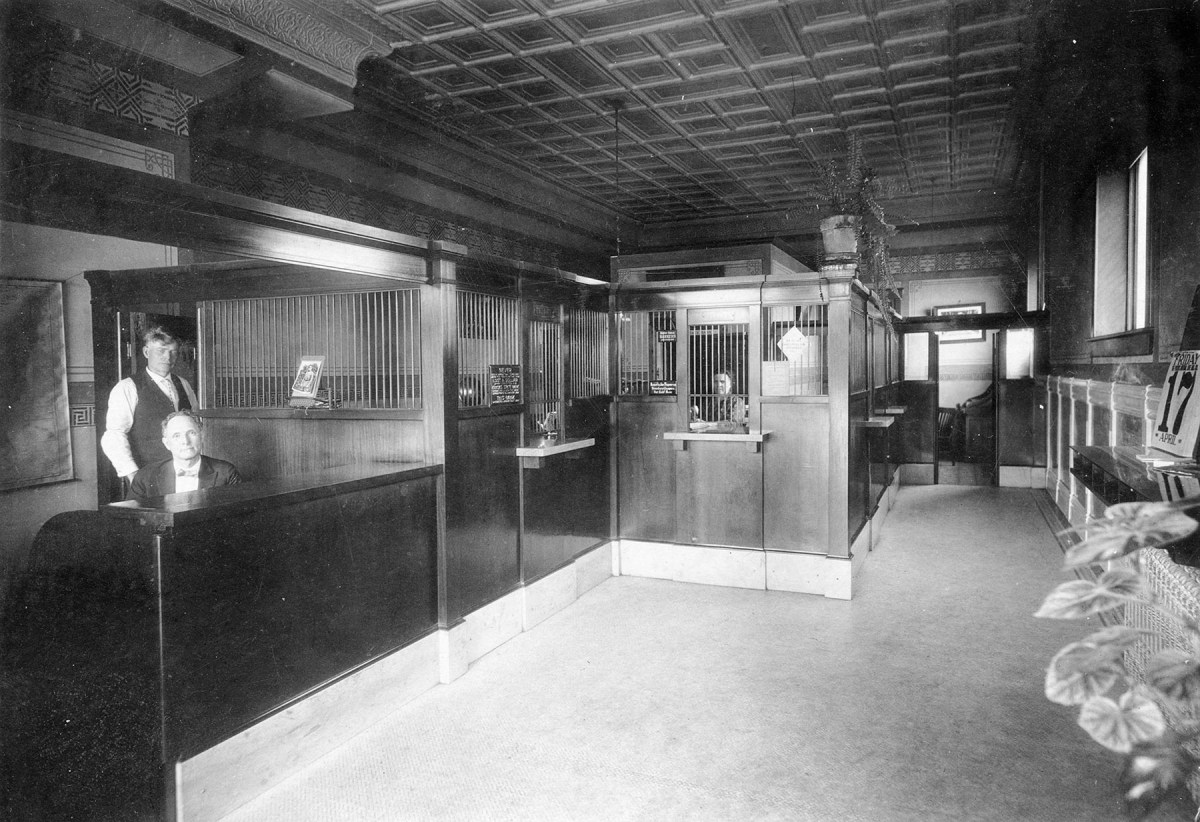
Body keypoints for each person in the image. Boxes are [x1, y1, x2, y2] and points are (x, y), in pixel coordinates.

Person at [100, 326, 199, 485]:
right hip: (148, 477)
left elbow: (196, 426)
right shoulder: (127, 387)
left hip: (186, 476)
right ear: (146, 352)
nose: (168, 357)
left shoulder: (183, 384)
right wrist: (134, 476)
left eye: (173, 352)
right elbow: (113, 436)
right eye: (161, 350)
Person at [128, 410, 241, 498]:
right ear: (167, 443)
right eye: (177, 436)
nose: (185, 441)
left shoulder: (226, 473)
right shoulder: (145, 477)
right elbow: (131, 522)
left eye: (191, 433)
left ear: (201, 437)